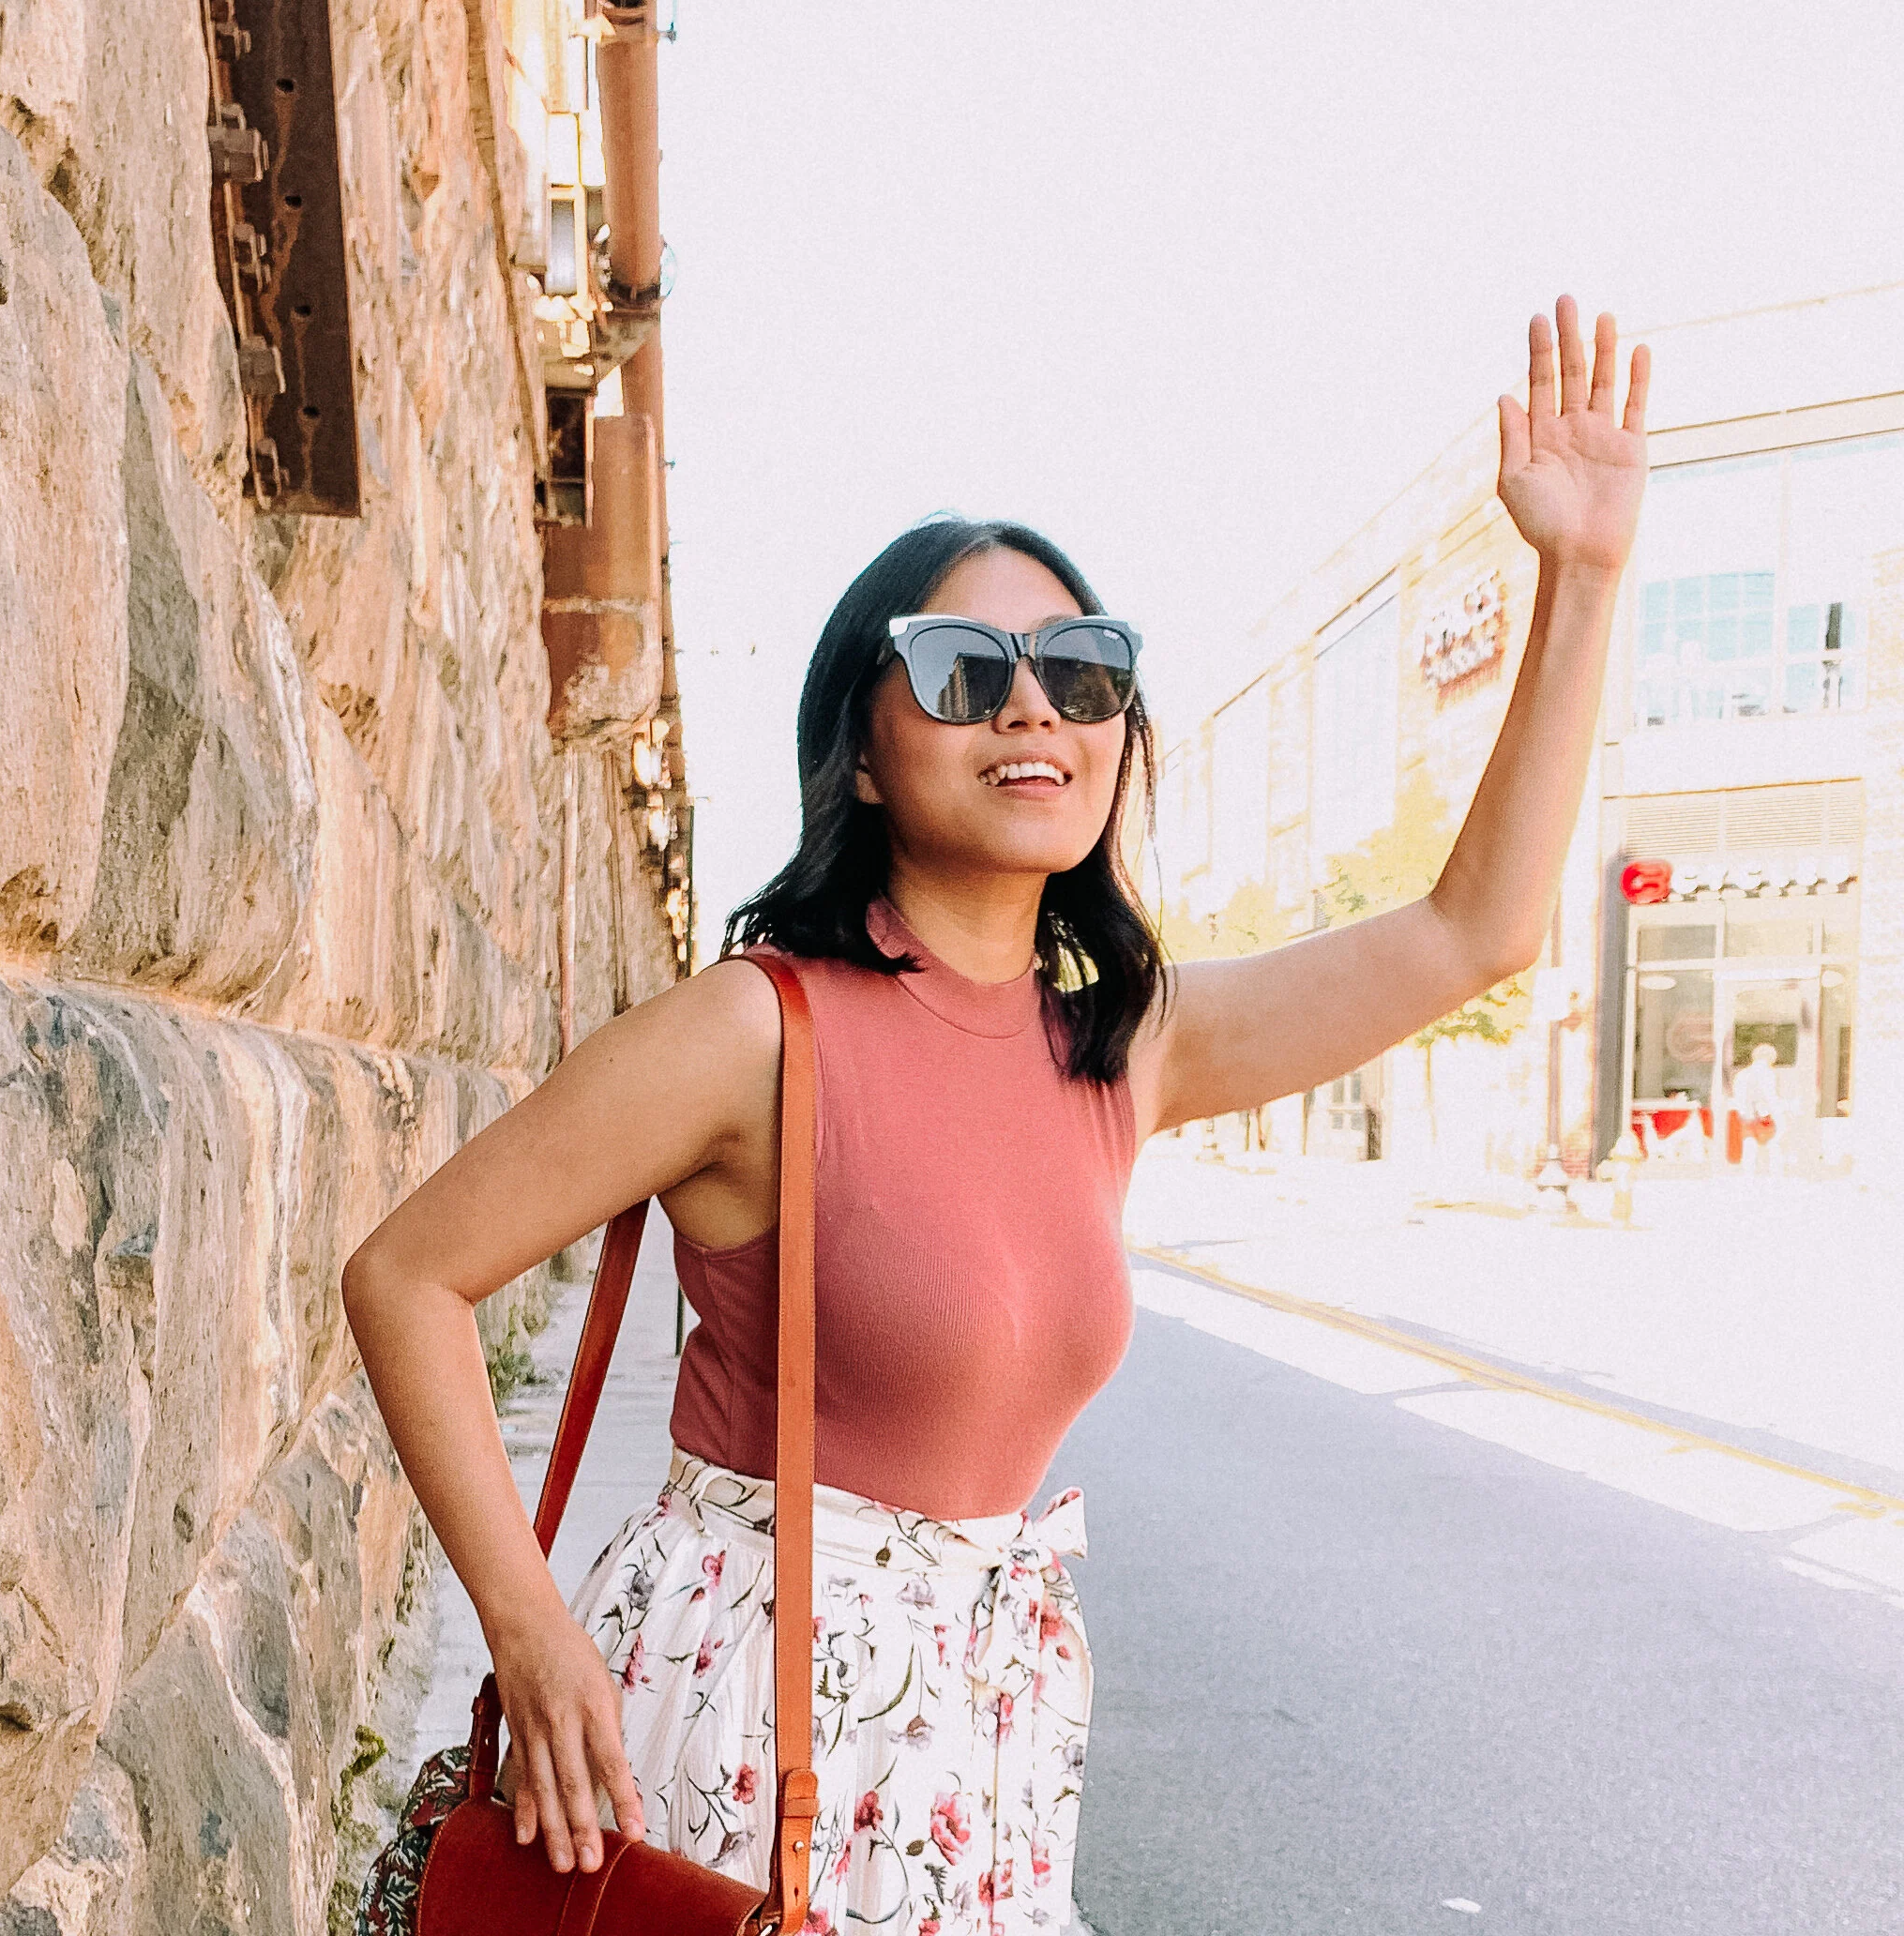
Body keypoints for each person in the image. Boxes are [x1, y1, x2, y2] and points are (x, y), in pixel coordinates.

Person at [341, 296, 1649, 1933]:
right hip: (739, 1720)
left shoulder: (1125, 1045)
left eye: (1078, 672)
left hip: (986, 1734)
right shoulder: (756, 1026)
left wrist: (1579, 580)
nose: (1031, 708)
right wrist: (528, 1629)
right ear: (867, 752)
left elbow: (1471, 931)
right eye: (963, 671)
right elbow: (406, 1273)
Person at [1729, 1041, 1784, 1172]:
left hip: (1746, 1114)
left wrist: (1743, 1111)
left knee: (1749, 1142)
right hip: (1764, 1113)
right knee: (1773, 1143)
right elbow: (1770, 1096)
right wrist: (1778, 1114)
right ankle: (1775, 1173)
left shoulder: (1742, 1074)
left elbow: (1738, 1096)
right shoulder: (1769, 1073)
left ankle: (1748, 1173)